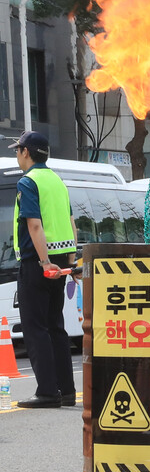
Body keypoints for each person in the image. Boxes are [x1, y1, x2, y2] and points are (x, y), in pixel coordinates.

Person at [11, 131, 78, 408]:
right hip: (62, 263)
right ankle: (67, 391)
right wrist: (71, 261)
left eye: (18, 150)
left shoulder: (28, 182)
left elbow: (34, 225)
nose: (16, 154)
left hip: (38, 263)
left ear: (26, 152)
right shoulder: (57, 182)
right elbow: (72, 222)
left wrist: (42, 261)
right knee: (56, 327)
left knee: (36, 328)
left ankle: (48, 393)